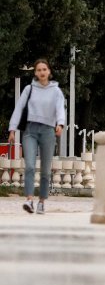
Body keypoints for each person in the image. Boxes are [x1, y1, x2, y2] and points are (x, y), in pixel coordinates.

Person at [7, 59, 66, 215]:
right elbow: (19, 108)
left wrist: (60, 124)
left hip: (48, 131)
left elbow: (60, 108)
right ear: (35, 73)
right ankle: (29, 199)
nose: (41, 72)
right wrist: (12, 129)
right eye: (39, 70)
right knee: (30, 166)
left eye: (44, 69)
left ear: (49, 72)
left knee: (46, 170)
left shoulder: (56, 91)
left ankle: (41, 202)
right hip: (30, 130)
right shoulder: (29, 89)